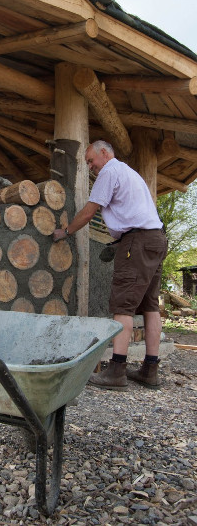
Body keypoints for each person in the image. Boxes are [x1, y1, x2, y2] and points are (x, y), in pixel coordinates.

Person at [53, 140, 168, 391]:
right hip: (155, 239)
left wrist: (66, 231)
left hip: (137, 241)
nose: (91, 166)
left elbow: (89, 211)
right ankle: (150, 369)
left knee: (122, 306)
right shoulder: (130, 173)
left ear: (104, 153)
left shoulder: (110, 171)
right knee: (150, 306)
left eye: (91, 160)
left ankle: (116, 370)